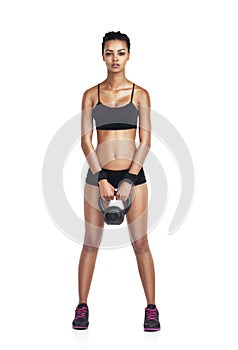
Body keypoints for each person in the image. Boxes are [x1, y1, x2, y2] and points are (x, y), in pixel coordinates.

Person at [72, 31, 160, 332]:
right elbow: (86, 141)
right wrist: (100, 179)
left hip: (133, 176)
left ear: (128, 56)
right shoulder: (91, 94)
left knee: (141, 244)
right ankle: (81, 307)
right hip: (98, 174)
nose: (115, 59)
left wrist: (128, 181)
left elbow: (145, 142)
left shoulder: (140, 94)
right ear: (103, 56)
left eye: (120, 53)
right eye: (110, 53)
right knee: (91, 244)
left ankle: (151, 308)